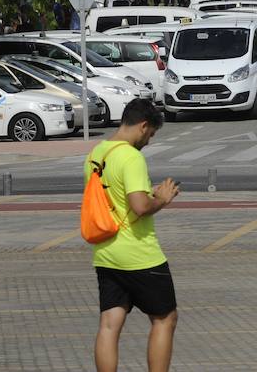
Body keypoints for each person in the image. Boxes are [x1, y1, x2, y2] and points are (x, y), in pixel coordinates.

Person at [86, 99, 180, 372]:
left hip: (106, 253)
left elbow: (115, 198)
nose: (148, 142)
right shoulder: (131, 156)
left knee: (109, 323)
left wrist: (147, 193)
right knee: (165, 319)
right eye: (150, 135)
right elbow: (139, 207)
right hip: (140, 256)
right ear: (142, 126)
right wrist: (161, 199)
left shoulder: (96, 153)